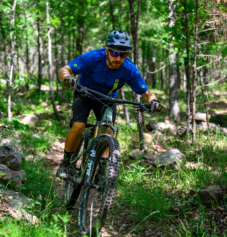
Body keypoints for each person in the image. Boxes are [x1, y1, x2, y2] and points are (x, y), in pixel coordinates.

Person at [56, 30, 162, 180]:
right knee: (79, 126)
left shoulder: (129, 69)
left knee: (108, 130)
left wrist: (154, 102)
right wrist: (67, 78)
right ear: (107, 51)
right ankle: (66, 163)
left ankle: (102, 170)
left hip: (107, 99)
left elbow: (147, 93)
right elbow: (64, 69)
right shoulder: (93, 57)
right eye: (114, 53)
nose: (118, 58)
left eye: (123, 54)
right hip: (84, 94)